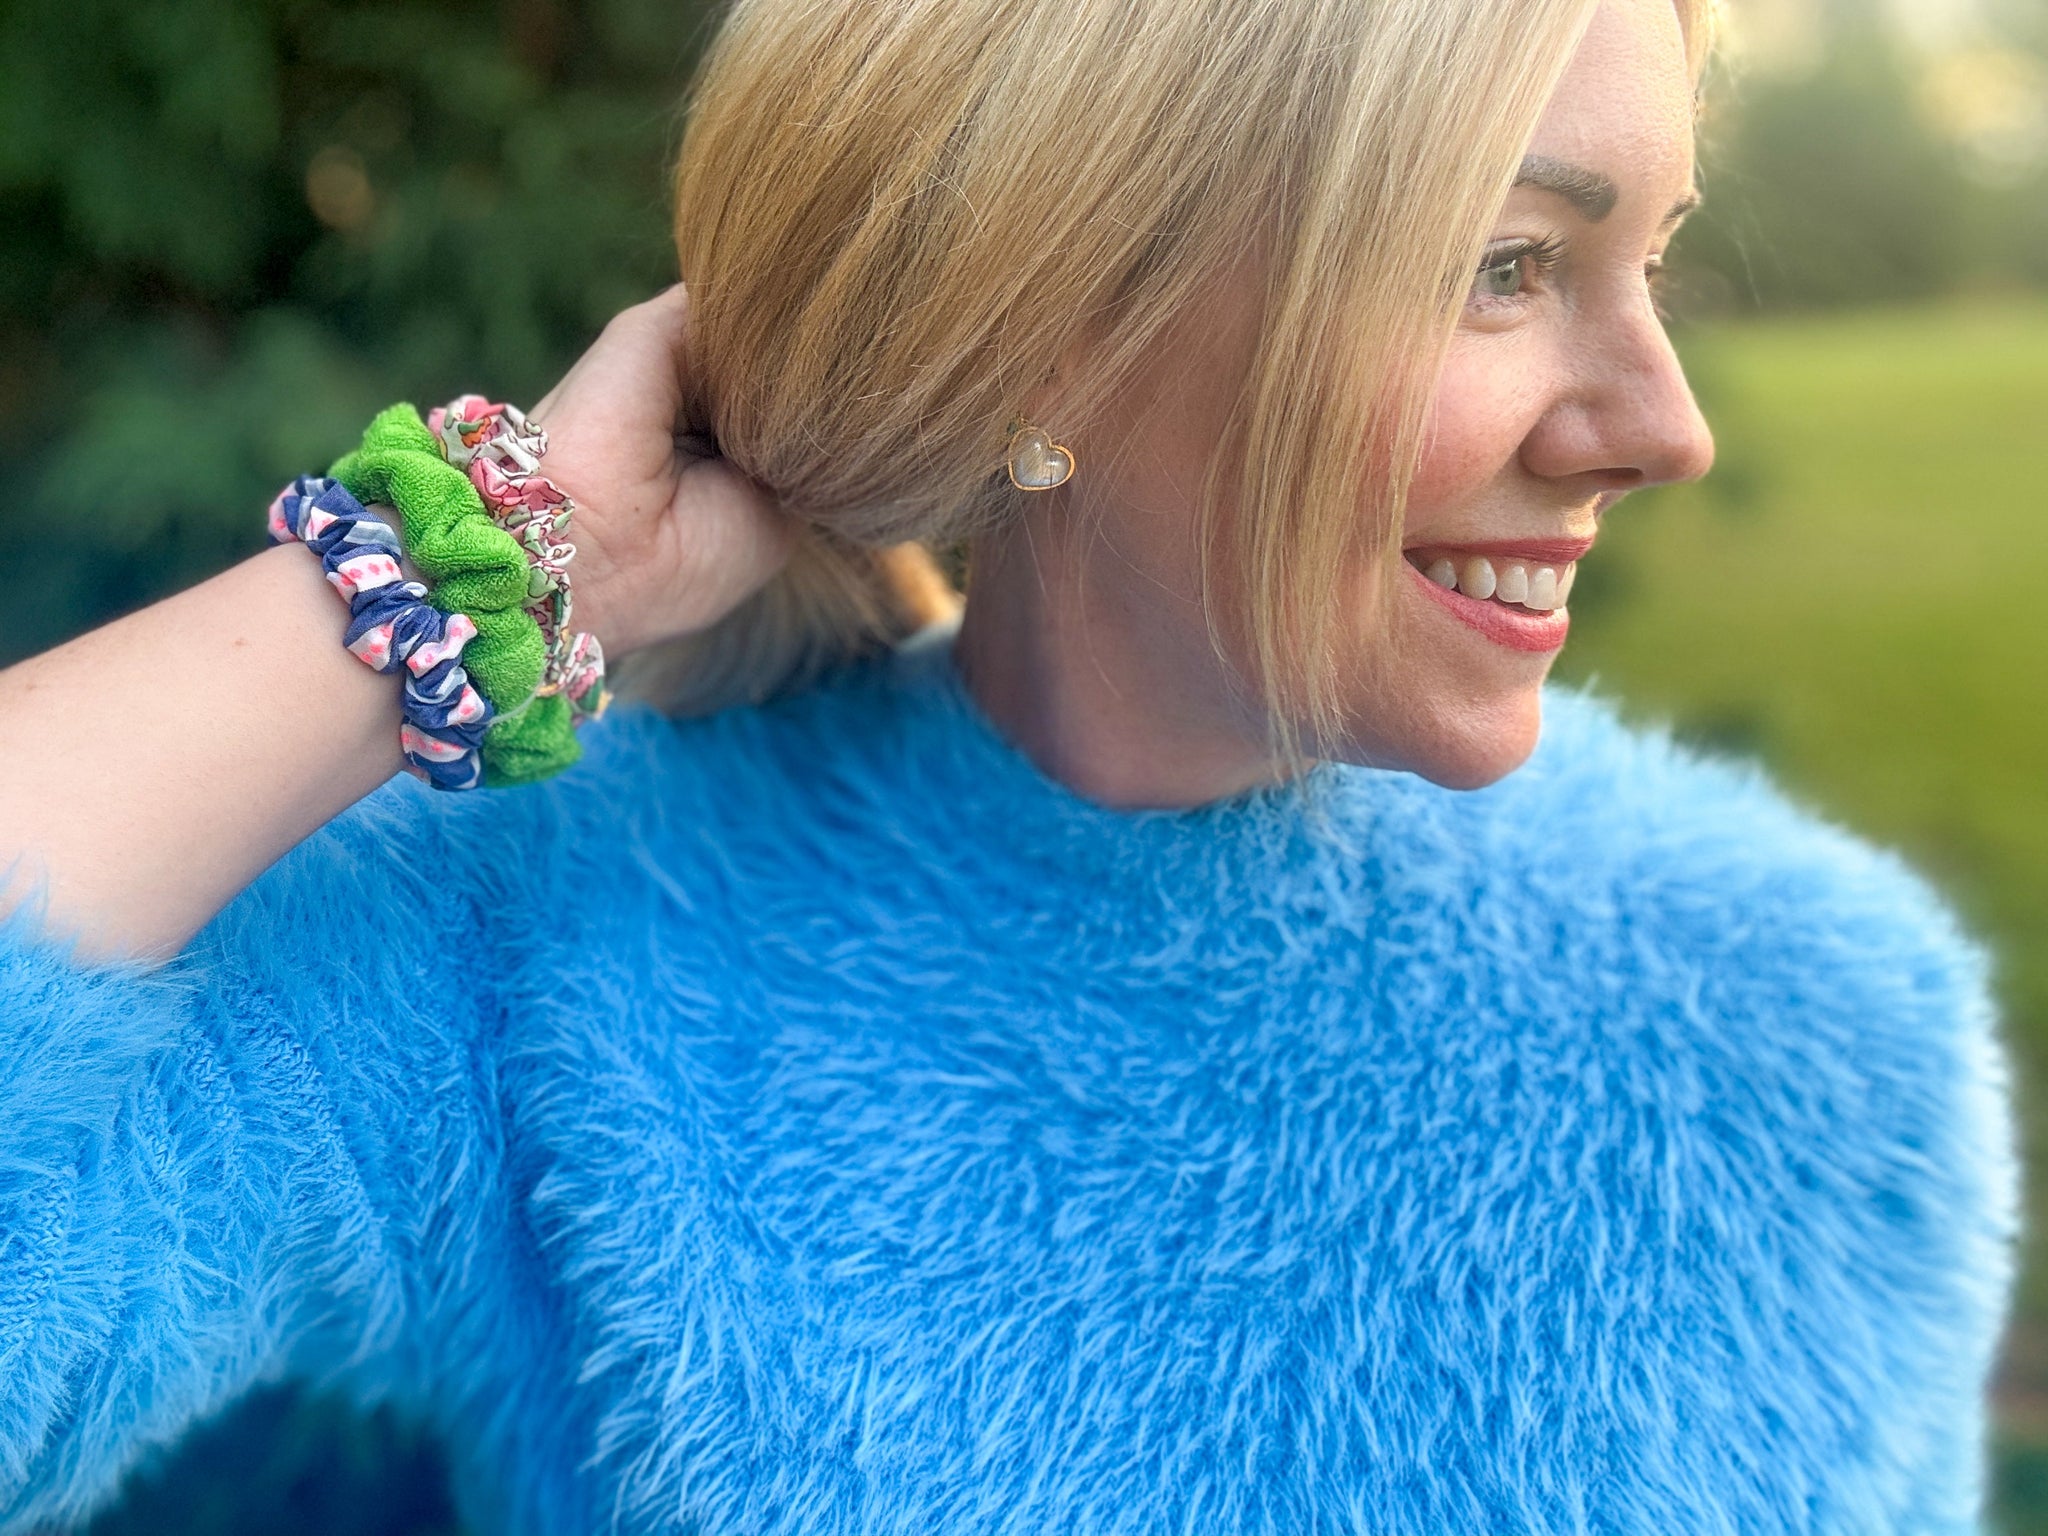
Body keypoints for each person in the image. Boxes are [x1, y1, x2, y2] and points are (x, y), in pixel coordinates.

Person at [0, 0, 2018, 1529]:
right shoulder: (558, 952)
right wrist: (500, 567)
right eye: (1507, 263)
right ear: (1053, 323)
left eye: (1648, 254)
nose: (1664, 424)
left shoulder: (1820, 1027)